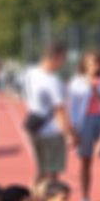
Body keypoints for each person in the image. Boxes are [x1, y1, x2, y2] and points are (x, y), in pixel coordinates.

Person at [67, 49, 100, 201]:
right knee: (85, 160)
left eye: (96, 62)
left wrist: (97, 91)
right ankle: (85, 198)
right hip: (84, 122)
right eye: (90, 63)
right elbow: (72, 106)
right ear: (84, 64)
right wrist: (72, 128)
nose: (93, 66)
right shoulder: (77, 81)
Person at [22, 42, 76, 185]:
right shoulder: (52, 81)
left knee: (40, 171)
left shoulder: (30, 73)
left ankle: (31, 196)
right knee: (52, 174)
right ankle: (47, 198)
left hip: (34, 126)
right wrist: (69, 135)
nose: (63, 63)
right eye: (63, 59)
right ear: (56, 57)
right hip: (51, 131)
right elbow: (59, 111)